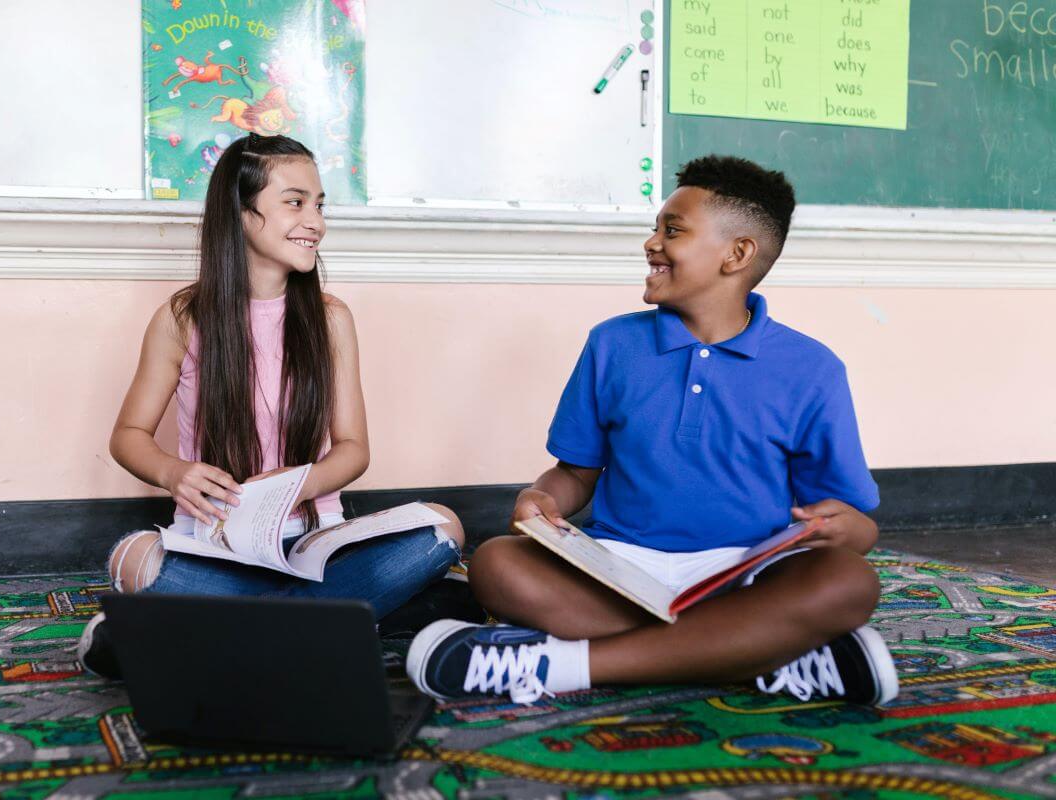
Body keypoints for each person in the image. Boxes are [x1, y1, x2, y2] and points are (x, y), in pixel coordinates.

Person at [406, 155, 897, 707]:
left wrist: (845, 530)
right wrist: (543, 498)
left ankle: (560, 664)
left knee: (850, 581)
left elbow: (855, 526)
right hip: (620, 571)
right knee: (497, 564)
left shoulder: (812, 368)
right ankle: (758, 653)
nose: (651, 243)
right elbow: (575, 472)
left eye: (673, 230)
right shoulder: (613, 344)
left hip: (744, 576)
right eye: (656, 228)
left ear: (736, 254)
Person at [78, 133, 464, 676]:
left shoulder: (331, 319)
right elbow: (128, 436)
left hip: (315, 544)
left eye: (320, 205)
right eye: (295, 202)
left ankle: (194, 630)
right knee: (133, 558)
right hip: (217, 547)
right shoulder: (182, 318)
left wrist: (296, 485)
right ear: (241, 213)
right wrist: (174, 472)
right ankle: (349, 618)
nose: (316, 221)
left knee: (443, 526)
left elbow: (354, 449)